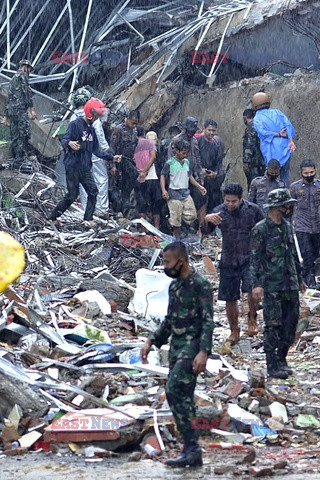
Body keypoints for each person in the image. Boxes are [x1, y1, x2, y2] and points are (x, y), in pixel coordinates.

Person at [140, 241, 213, 468]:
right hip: (176, 347)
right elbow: (169, 320)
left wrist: (204, 352)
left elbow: (208, 321)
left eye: (168, 261)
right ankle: (192, 450)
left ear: (181, 261)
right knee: (184, 397)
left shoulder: (200, 285)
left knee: (172, 389)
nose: (165, 266)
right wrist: (151, 341)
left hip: (192, 347)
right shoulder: (174, 287)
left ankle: (191, 446)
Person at [251, 188, 306, 379]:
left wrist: (299, 279)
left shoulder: (287, 226)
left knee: (291, 324)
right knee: (273, 326)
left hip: (290, 284)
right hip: (273, 285)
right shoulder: (261, 229)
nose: (289, 208)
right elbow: (255, 260)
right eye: (287, 205)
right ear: (278, 206)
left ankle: (282, 359)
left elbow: (293, 254)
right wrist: (257, 284)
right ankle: (272, 364)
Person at [202, 183, 263, 344]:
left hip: (249, 257)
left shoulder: (253, 210)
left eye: (233, 201)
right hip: (229, 258)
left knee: (253, 291)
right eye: (227, 201)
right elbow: (205, 231)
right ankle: (234, 330)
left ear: (240, 199)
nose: (230, 204)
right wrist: (207, 219)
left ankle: (252, 318)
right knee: (230, 298)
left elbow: (265, 229)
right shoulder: (219, 211)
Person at [48, 98, 116, 225]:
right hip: (73, 166)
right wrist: (70, 143)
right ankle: (52, 218)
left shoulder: (92, 130)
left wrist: (112, 157)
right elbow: (64, 139)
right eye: (96, 115)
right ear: (90, 113)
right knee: (72, 195)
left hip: (85, 167)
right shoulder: (75, 124)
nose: (97, 118)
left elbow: (97, 150)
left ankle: (88, 219)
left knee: (93, 191)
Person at [69, 88, 111, 219]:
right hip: (95, 154)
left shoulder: (73, 117)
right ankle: (102, 209)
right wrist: (107, 153)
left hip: (80, 156)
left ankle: (86, 209)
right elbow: (100, 138)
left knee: (85, 182)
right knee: (101, 179)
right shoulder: (94, 117)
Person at [161, 140, 207, 240]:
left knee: (192, 215)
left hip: (185, 193)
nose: (185, 155)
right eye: (183, 153)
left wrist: (200, 187)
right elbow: (163, 176)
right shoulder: (170, 163)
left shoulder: (186, 162)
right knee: (176, 219)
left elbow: (189, 176)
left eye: (187, 153)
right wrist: (163, 190)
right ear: (176, 151)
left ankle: (173, 221)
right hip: (174, 193)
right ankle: (177, 238)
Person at [168, 117, 207, 228]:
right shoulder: (176, 141)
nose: (192, 133)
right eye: (190, 130)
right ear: (185, 129)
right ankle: (180, 228)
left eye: (193, 131)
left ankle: (200, 228)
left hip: (193, 176)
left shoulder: (194, 140)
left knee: (200, 199)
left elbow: (197, 158)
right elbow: (171, 161)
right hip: (180, 178)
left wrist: (200, 175)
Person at [252, 92, 296, 187]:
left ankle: (273, 196)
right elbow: (288, 125)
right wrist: (291, 141)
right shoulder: (277, 112)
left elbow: (263, 133)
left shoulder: (257, 119)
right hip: (285, 148)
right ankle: (285, 196)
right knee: (285, 176)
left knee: (271, 177)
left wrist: (277, 134)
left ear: (254, 105)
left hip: (270, 151)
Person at [2, 59, 37, 172]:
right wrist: (32, 110)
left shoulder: (13, 79)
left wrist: (6, 116)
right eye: (29, 69)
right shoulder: (23, 76)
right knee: (24, 134)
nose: (29, 72)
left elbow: (9, 98)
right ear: (25, 67)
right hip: (21, 110)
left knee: (15, 135)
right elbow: (27, 93)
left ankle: (16, 159)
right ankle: (20, 161)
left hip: (12, 112)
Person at [290, 159, 320, 288]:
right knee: (307, 258)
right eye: (306, 173)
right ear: (301, 173)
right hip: (303, 227)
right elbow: (288, 208)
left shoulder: (319, 186)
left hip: (318, 226)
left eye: (311, 172)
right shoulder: (294, 187)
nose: (309, 175)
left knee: (317, 257)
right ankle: (309, 284)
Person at [109, 110, 140, 215]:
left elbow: (134, 146)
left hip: (128, 160)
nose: (134, 125)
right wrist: (112, 165)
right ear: (127, 119)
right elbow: (112, 148)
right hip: (118, 160)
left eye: (136, 123)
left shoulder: (134, 130)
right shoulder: (118, 130)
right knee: (115, 186)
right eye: (132, 122)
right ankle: (115, 209)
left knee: (132, 176)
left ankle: (124, 201)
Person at [133, 127, 162, 229]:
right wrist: (145, 171)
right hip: (152, 177)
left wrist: (140, 171)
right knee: (156, 204)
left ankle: (143, 231)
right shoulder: (149, 143)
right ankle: (156, 230)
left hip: (139, 178)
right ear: (144, 133)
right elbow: (153, 157)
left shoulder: (134, 144)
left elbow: (131, 160)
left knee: (142, 205)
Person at [198, 119, 225, 212]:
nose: (211, 132)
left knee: (214, 202)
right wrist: (200, 170)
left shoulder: (216, 145)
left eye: (213, 130)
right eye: (209, 130)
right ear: (204, 129)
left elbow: (219, 161)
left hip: (211, 178)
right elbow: (194, 159)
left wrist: (216, 173)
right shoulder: (197, 142)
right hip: (199, 178)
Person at [243, 108, 265, 190]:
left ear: (245, 118)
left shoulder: (250, 127)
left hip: (253, 163)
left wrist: (246, 161)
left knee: (253, 185)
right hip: (262, 161)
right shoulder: (259, 124)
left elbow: (249, 145)